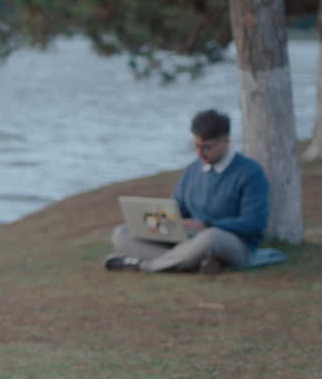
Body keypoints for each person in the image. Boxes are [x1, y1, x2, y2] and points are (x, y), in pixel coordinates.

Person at [105, 109, 268, 273]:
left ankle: (145, 265)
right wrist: (160, 220)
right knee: (122, 233)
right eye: (196, 146)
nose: (200, 153)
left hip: (230, 243)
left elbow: (253, 223)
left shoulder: (250, 172)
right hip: (188, 240)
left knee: (211, 237)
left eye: (207, 147)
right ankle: (193, 263)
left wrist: (206, 225)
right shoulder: (193, 170)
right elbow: (176, 209)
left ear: (226, 141)